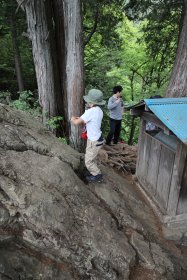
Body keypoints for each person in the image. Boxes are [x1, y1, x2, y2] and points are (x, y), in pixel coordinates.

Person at [71, 89, 106, 183]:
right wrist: (81, 118)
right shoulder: (99, 110)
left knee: (88, 161)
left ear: (90, 101)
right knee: (90, 157)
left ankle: (98, 175)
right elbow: (86, 119)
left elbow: (76, 122)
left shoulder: (90, 112)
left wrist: (72, 118)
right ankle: (92, 172)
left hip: (94, 140)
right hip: (97, 138)